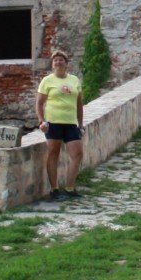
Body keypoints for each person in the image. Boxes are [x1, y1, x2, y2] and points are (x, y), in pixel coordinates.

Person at [35, 49, 85, 200]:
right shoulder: (47, 81)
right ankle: (54, 190)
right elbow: (39, 103)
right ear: (52, 64)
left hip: (70, 123)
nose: (58, 62)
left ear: (66, 63)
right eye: (55, 60)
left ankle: (70, 188)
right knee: (53, 154)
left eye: (61, 59)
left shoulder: (74, 80)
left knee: (77, 154)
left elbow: (79, 104)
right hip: (53, 123)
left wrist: (80, 124)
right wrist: (42, 121)